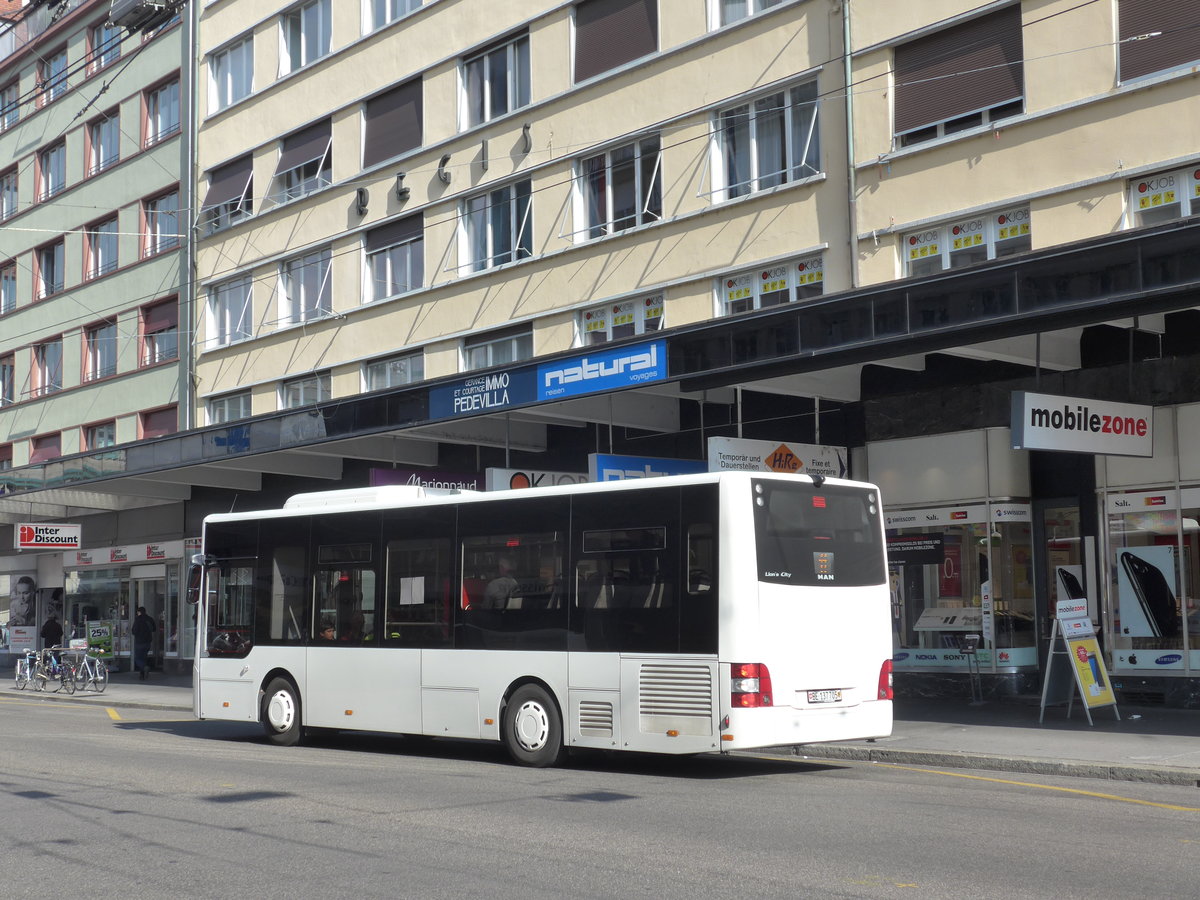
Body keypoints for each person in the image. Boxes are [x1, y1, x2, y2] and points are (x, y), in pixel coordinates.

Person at [132, 606, 156, 680]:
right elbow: (154, 629)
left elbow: (134, 631)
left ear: (139, 612)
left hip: (139, 642)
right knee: (144, 657)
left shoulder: (138, 620)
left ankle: (144, 668)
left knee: (138, 658)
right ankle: (142, 674)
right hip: (148, 642)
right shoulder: (150, 619)